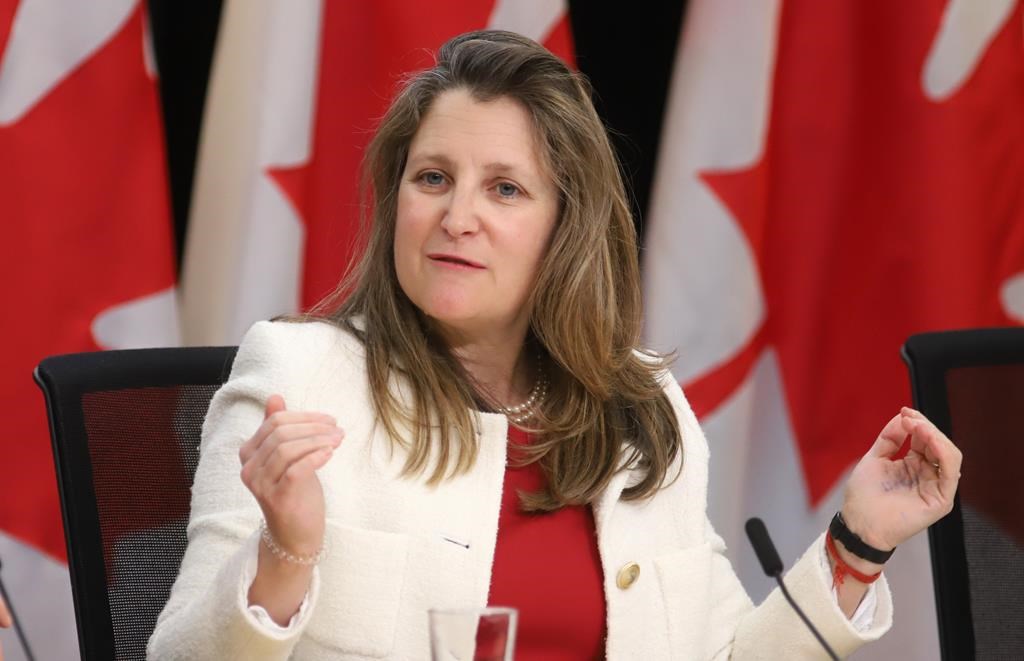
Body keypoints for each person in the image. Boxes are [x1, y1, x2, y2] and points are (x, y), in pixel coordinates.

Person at [148, 30, 962, 660]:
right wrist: (286, 551)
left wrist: (858, 544)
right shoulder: (303, 377)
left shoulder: (642, 407)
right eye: (432, 177)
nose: (456, 216)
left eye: (503, 188)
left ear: (566, 227)